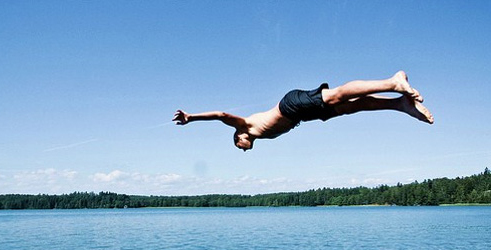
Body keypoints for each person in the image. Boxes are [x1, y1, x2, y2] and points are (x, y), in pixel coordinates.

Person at [173, 71, 433, 151]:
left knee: (339, 94)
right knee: (349, 109)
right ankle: (399, 104)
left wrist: (191, 117)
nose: (242, 149)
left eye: (238, 146)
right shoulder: (258, 136)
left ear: (237, 136)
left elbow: (220, 115)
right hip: (301, 116)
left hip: (291, 104)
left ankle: (393, 82)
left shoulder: (245, 125)